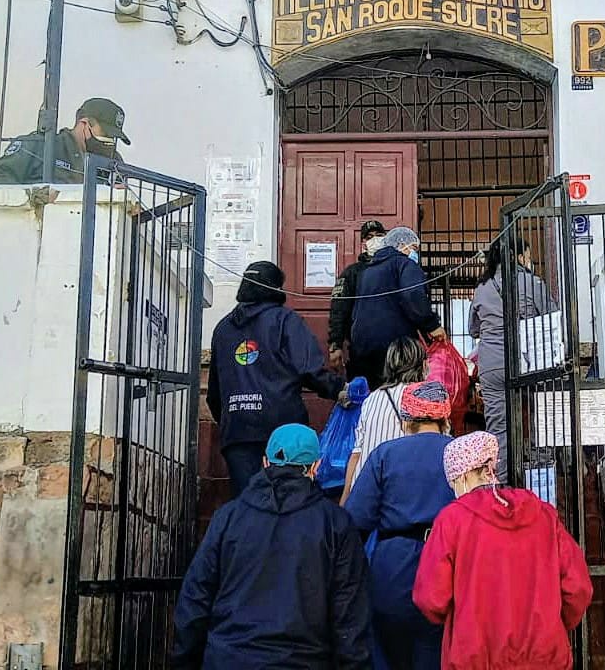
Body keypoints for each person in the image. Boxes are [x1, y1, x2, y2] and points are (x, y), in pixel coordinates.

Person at [172, 423, 371, 670]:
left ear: (265, 462)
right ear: (316, 467)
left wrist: (184, 661)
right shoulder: (336, 525)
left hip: (229, 658)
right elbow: (349, 617)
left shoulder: (228, 517)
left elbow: (195, 599)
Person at [413, 431, 593, 670]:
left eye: (454, 482)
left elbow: (430, 598)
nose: (454, 489)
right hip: (545, 658)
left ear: (464, 475)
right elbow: (578, 587)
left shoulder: (452, 520)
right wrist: (551, 628)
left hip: (474, 660)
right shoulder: (544, 514)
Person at [206, 261, 346, 496]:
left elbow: (214, 393)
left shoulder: (223, 329)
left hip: (238, 432)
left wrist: (232, 420)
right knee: (289, 502)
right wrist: (339, 389)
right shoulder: (285, 321)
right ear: (276, 288)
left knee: (248, 504)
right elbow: (309, 369)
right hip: (283, 429)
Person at [344, 381, 457, 670]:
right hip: (449, 567)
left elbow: (356, 521)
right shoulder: (460, 455)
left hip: (393, 567)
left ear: (406, 419)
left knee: (389, 653)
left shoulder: (385, 454)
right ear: (445, 419)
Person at [468, 237, 557, 481]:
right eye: (527, 255)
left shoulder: (482, 288)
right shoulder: (532, 283)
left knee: (498, 431)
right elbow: (552, 317)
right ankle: (540, 486)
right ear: (520, 257)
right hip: (528, 362)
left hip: (492, 364)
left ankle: (501, 490)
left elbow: (473, 329)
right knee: (542, 423)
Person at [350, 226, 447, 388]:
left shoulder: (367, 271)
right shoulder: (404, 265)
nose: (415, 253)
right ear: (402, 244)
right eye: (414, 248)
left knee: (373, 397)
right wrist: (432, 325)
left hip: (362, 346)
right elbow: (413, 296)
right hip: (394, 347)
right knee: (398, 392)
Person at [339, 336, 429, 505]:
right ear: (423, 365)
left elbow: (356, 454)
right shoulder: (424, 398)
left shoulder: (371, 399)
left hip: (366, 492)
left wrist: (345, 497)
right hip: (403, 493)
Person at [0, 98, 129, 184]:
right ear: (84, 124)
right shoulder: (41, 146)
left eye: (113, 137)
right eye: (105, 133)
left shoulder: (112, 160)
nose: (109, 142)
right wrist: (33, 197)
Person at [329, 220, 388, 376]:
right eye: (369, 237)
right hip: (362, 349)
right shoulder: (352, 273)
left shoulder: (396, 268)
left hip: (395, 350)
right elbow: (339, 310)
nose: (375, 239)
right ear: (363, 243)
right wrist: (335, 345)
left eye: (379, 235)